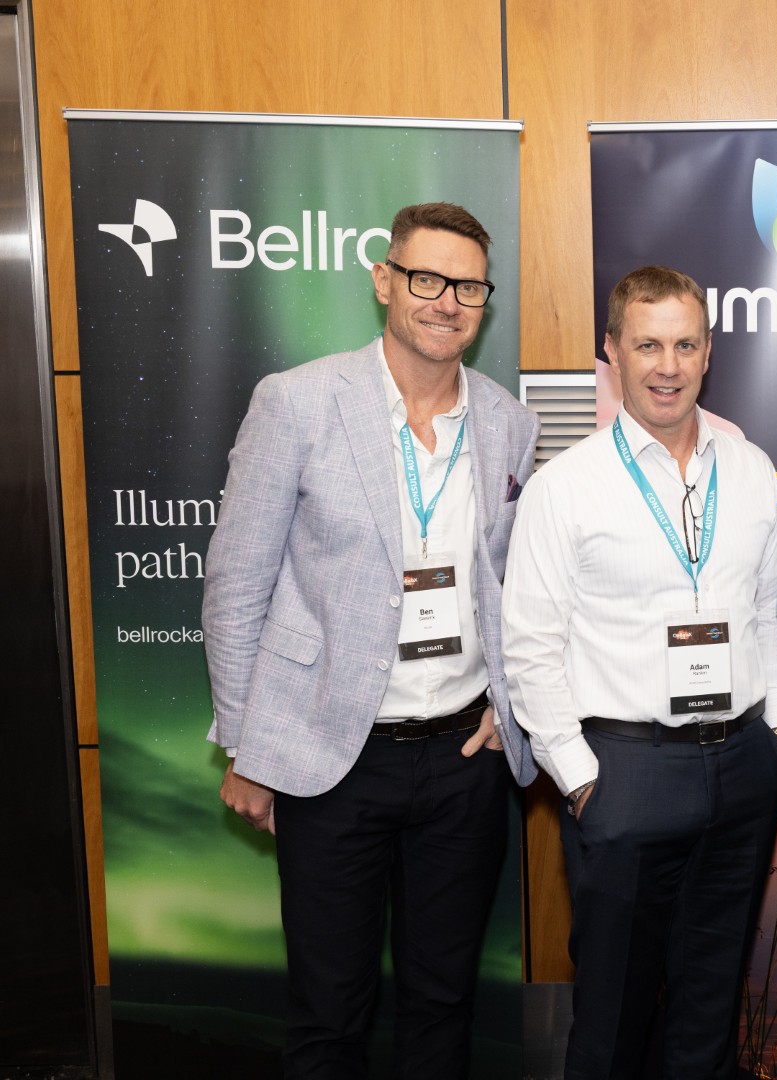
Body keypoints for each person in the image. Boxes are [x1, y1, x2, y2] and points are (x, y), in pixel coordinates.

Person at [201, 202, 540, 1078]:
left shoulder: (508, 421)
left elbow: (513, 583)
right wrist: (246, 745)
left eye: (468, 287)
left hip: (463, 759)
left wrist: (508, 707)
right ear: (385, 281)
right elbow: (236, 583)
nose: (446, 301)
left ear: (485, 301)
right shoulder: (297, 402)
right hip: (330, 756)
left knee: (443, 1002)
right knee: (330, 1012)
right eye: (426, 279)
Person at [502, 265, 777, 1079]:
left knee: (710, 1010)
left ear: (708, 352)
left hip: (742, 764)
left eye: (685, 345)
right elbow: (529, 645)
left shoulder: (748, 466)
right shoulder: (565, 486)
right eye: (647, 345)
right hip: (624, 771)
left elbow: (770, 610)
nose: (668, 366)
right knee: (612, 1020)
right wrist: (579, 778)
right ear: (611, 351)